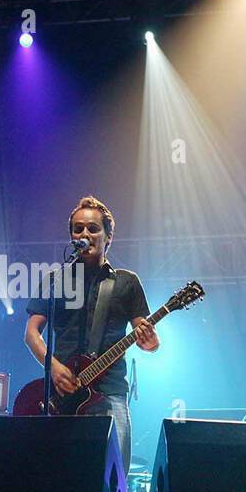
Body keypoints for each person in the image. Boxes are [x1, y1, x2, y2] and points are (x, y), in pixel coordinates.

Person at [23, 195, 158, 474]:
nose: (85, 234)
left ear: (108, 237)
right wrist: (53, 367)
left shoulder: (126, 282)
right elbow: (31, 333)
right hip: (60, 395)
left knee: (112, 479)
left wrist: (150, 340)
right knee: (55, 477)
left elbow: (148, 342)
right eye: (78, 229)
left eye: (93, 229)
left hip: (109, 393)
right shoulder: (55, 280)